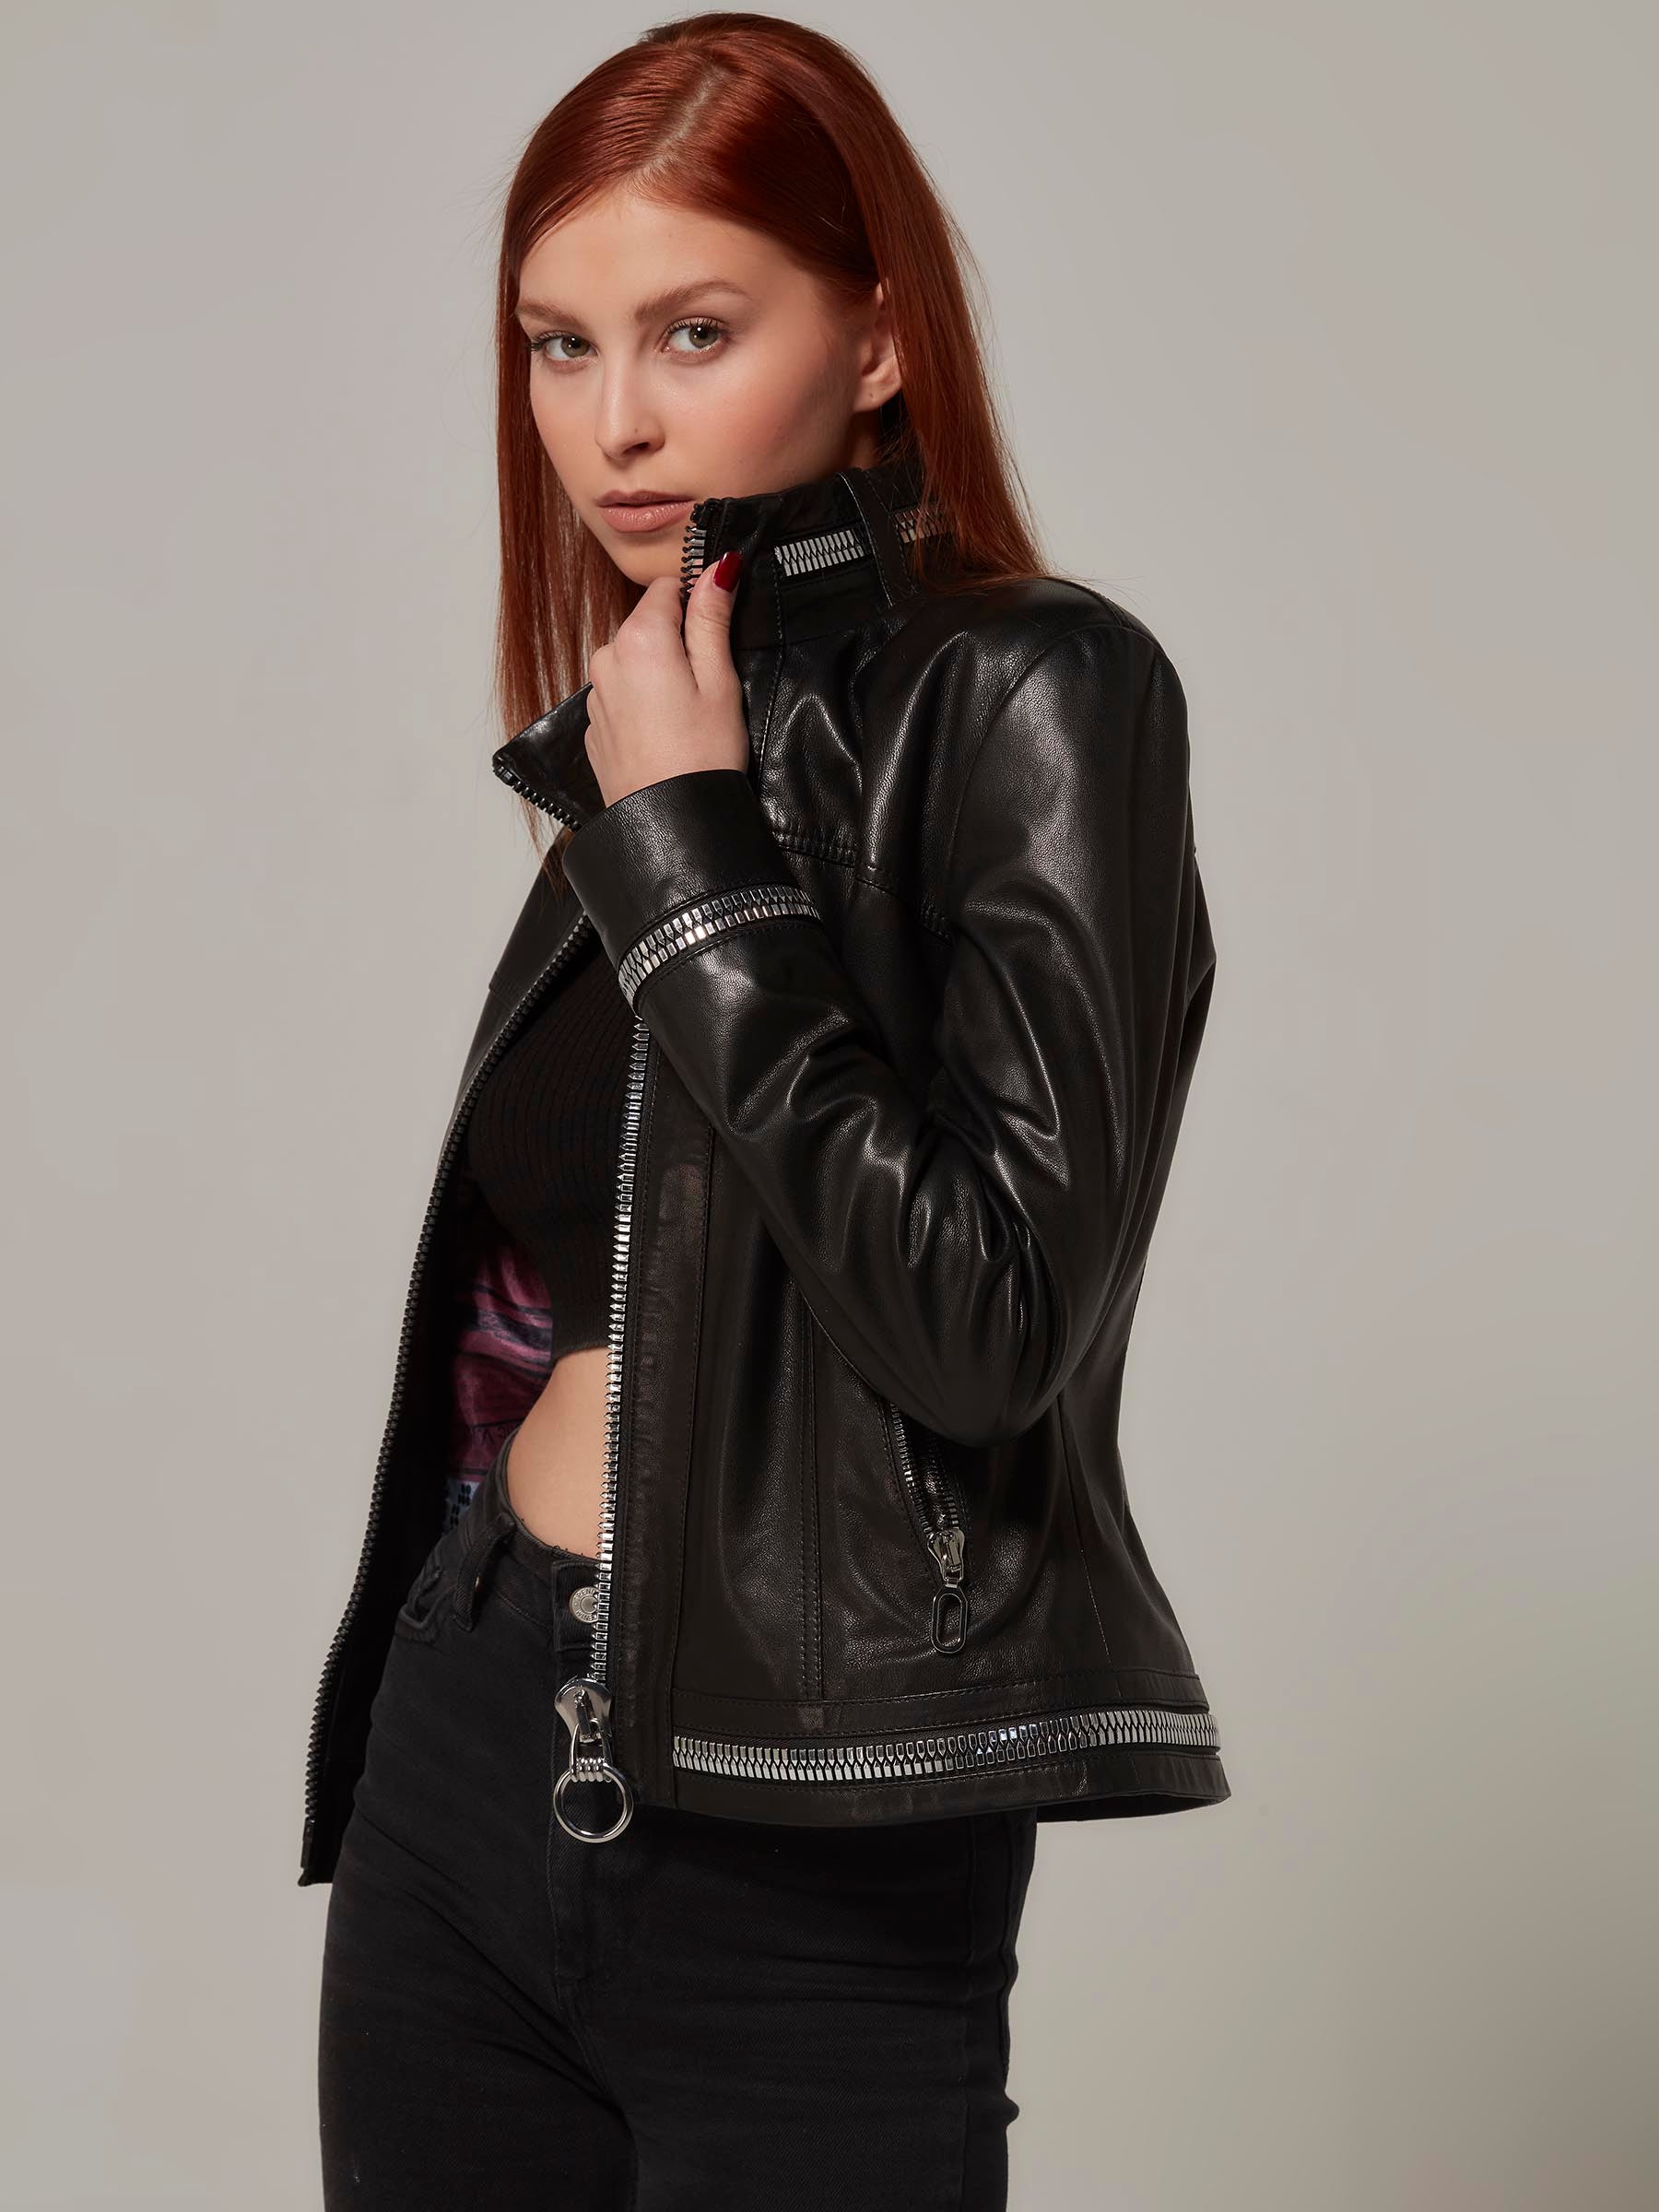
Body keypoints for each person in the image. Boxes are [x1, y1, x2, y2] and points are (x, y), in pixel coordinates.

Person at [306, 14, 1230, 2207]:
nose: (612, 422)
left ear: (881, 334)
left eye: (694, 330)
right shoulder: (662, 715)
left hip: (815, 1827)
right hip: (476, 1737)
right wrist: (664, 801)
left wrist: (698, 851)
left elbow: (988, 1324)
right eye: (557, 346)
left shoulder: (1041, 690)